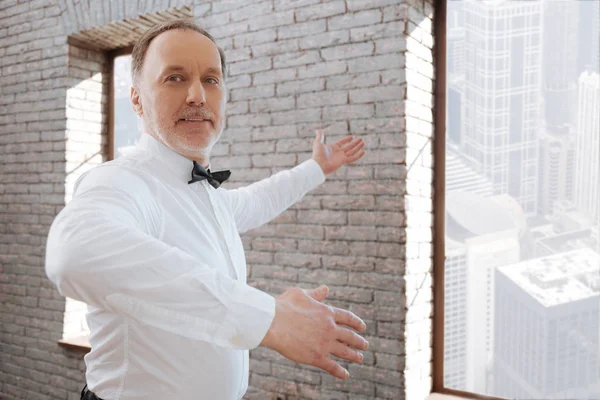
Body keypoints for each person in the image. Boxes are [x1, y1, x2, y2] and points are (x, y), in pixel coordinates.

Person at [45, 19, 368, 400]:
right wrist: (269, 318)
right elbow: (76, 253)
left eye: (211, 80)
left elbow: (258, 200)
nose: (197, 95)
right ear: (136, 99)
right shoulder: (121, 181)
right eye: (175, 78)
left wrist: (315, 169)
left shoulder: (207, 196)